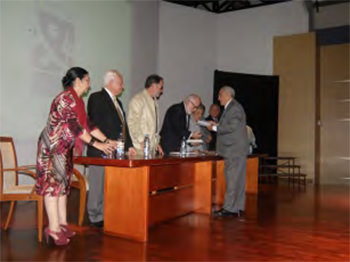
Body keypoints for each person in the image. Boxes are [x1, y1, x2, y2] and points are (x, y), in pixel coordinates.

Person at [36, 67, 116, 245]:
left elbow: (88, 124)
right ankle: (53, 229)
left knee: (63, 186)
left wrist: (107, 140)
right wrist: (97, 145)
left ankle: (62, 225)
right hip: (51, 148)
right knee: (52, 186)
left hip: (64, 148)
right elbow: (75, 127)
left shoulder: (77, 101)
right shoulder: (65, 98)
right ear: (78, 81)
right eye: (87, 81)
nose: (89, 85)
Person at [86, 70, 136, 228]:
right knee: (97, 184)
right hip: (101, 149)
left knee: (110, 184)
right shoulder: (96, 98)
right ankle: (94, 217)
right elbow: (95, 123)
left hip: (117, 150)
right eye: (120, 83)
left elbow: (123, 127)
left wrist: (129, 146)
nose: (123, 87)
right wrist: (107, 141)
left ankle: (107, 214)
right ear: (111, 82)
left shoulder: (118, 103)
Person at [207, 86, 249, 217]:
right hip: (237, 149)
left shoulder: (234, 108)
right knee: (238, 179)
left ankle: (230, 209)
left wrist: (214, 127)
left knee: (232, 178)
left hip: (233, 150)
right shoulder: (233, 107)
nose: (218, 98)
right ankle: (238, 207)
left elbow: (232, 126)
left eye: (220, 95)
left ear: (227, 95)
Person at [127, 74, 164, 155]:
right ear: (153, 86)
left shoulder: (154, 102)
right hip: (139, 148)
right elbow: (132, 123)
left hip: (151, 149)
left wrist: (156, 143)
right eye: (161, 88)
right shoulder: (138, 100)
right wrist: (141, 140)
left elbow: (154, 129)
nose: (161, 91)